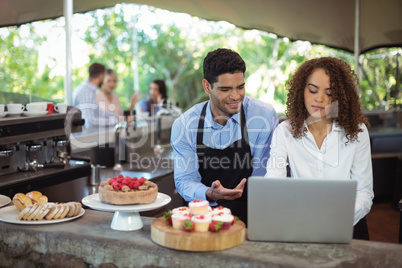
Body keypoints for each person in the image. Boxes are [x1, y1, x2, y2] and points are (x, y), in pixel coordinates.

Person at [265, 57, 374, 240]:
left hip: (348, 224)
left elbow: (364, 192)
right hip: (302, 223)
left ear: (341, 96)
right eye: (313, 90)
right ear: (302, 90)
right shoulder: (285, 132)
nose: (320, 98)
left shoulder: (357, 131)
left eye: (330, 93)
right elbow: (273, 184)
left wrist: (335, 219)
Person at [171, 48, 278, 225]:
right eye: (226, 89)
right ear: (207, 86)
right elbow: (185, 180)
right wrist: (209, 194)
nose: (236, 96)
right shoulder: (184, 124)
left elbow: (263, 177)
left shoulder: (263, 116)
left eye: (240, 87)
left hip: (250, 215)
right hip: (201, 219)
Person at [72, 63, 120, 128]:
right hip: (84, 136)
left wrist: (120, 118)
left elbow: (100, 112)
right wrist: (117, 120)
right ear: (101, 76)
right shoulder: (86, 92)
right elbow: (89, 122)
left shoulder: (88, 90)